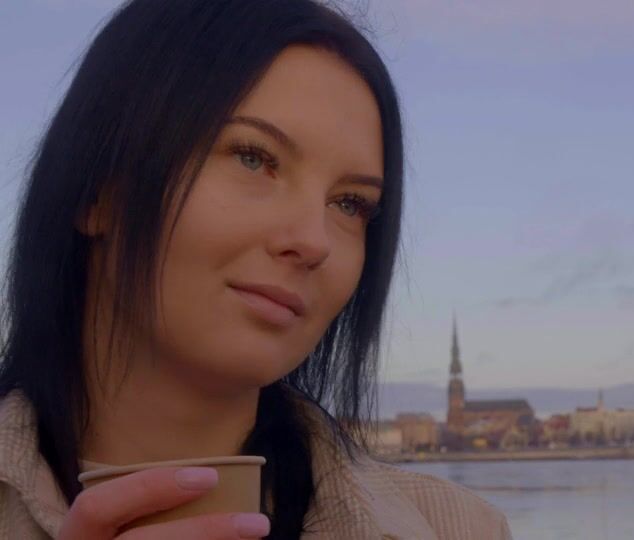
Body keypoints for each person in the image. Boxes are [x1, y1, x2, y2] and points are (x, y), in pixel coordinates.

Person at [0, 0, 513, 538]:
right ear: (98, 191)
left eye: (350, 204)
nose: (313, 241)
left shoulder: (463, 529)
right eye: (253, 157)